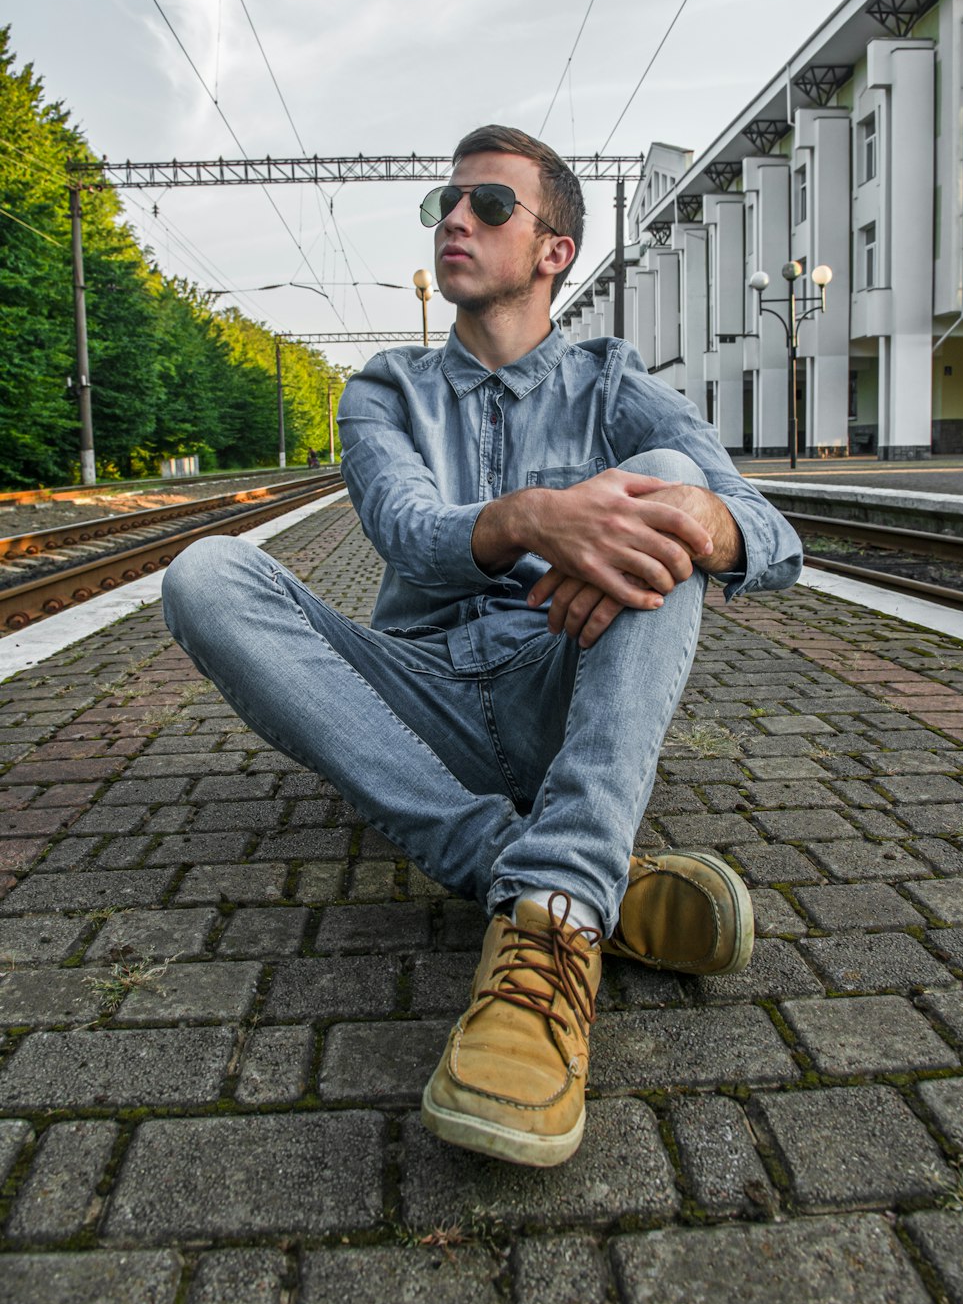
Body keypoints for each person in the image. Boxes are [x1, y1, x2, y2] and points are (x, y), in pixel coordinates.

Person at [162, 125, 802, 1170]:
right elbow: (404, 528)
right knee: (206, 574)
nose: (454, 219)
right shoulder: (384, 388)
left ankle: (551, 917)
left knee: (660, 495)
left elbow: (770, 534)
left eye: (488, 205)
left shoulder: (612, 382)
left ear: (554, 249)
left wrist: (692, 517)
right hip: (410, 699)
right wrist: (541, 517)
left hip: (562, 679)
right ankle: (556, 882)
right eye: (444, 204)